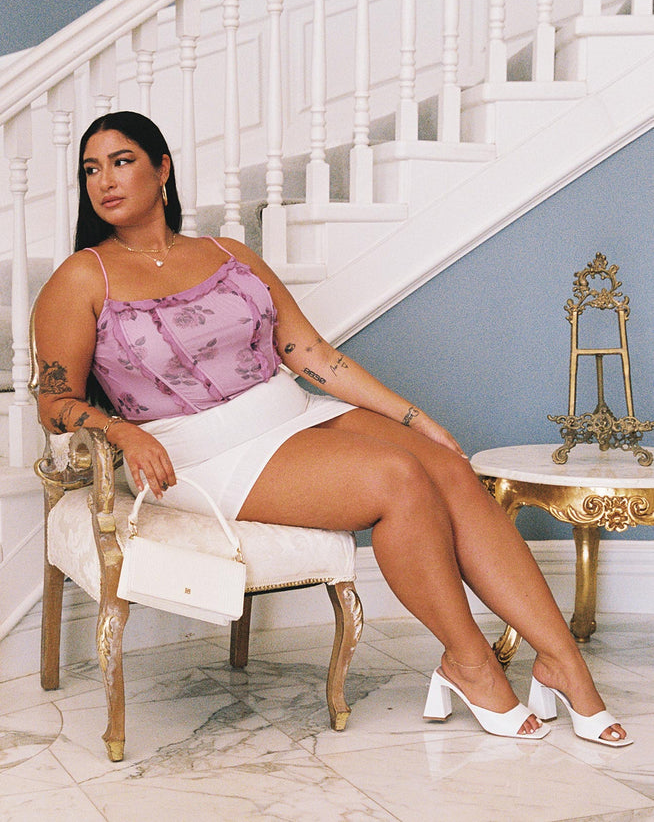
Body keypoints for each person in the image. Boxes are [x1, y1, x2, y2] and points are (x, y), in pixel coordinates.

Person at [35, 111, 630, 746]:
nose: (104, 181)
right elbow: (53, 401)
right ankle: (469, 663)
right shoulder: (82, 276)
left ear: (163, 169)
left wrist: (415, 417)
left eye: (121, 161)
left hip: (289, 412)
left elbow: (311, 354)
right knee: (398, 480)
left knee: (448, 466)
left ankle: (563, 663)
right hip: (203, 454)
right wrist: (123, 432)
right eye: (90, 170)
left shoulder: (228, 255)